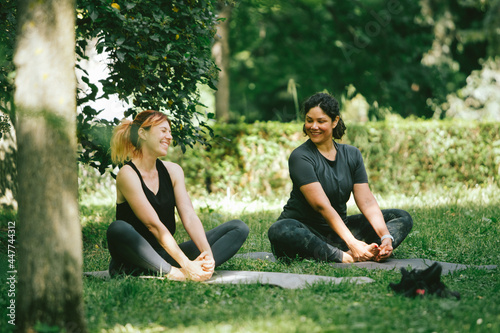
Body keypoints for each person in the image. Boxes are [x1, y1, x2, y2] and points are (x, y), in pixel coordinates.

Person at [268, 92, 413, 263]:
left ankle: (375, 250)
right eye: (309, 120)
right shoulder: (300, 157)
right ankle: (345, 256)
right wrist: (353, 244)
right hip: (306, 232)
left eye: (321, 121)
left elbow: (366, 201)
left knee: (401, 216)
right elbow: (322, 206)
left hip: (338, 233)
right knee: (280, 229)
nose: (313, 126)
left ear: (334, 121)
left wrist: (386, 237)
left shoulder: (352, 154)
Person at [106, 110, 249, 281]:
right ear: (142, 134)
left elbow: (189, 216)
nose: (169, 136)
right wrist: (187, 265)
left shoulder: (173, 171)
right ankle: (179, 273)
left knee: (238, 228)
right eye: (163, 131)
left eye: (170, 132)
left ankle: (198, 269)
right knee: (117, 229)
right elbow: (153, 225)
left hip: (165, 254)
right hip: (134, 258)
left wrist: (208, 256)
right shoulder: (127, 174)